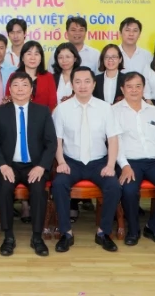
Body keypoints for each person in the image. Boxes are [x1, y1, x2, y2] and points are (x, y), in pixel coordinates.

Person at [52, 67, 122, 253]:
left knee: (113, 186)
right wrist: (61, 162)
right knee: (58, 185)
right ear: (72, 85)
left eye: (87, 81)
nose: (82, 86)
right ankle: (66, 233)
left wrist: (110, 165)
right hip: (71, 162)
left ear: (94, 84)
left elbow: (113, 139)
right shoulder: (61, 109)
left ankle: (103, 232)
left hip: (99, 162)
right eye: (78, 82)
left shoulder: (105, 108)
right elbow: (57, 140)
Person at [0, 72, 57, 257]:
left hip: (35, 166)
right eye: (16, 85)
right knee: (4, 188)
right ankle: (8, 236)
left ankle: (37, 237)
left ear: (31, 89)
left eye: (24, 85)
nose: (20, 89)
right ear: (10, 90)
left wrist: (41, 166)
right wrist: (2, 165)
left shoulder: (42, 112)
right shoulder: (0, 112)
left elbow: (51, 143)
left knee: (38, 190)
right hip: (8, 165)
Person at [113, 72, 155, 246]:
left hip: (154, 160)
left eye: (138, 86)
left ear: (143, 88)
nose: (134, 90)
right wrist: (124, 165)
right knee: (129, 191)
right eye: (129, 86)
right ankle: (133, 230)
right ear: (122, 89)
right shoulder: (114, 111)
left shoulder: (154, 111)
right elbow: (115, 143)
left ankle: (153, 228)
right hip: (129, 161)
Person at [5, 41, 58, 112]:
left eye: (36, 54)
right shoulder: (14, 76)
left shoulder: (48, 77)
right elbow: (8, 99)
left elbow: (52, 103)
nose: (33, 58)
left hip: (43, 117)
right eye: (29, 54)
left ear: (41, 59)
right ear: (22, 58)